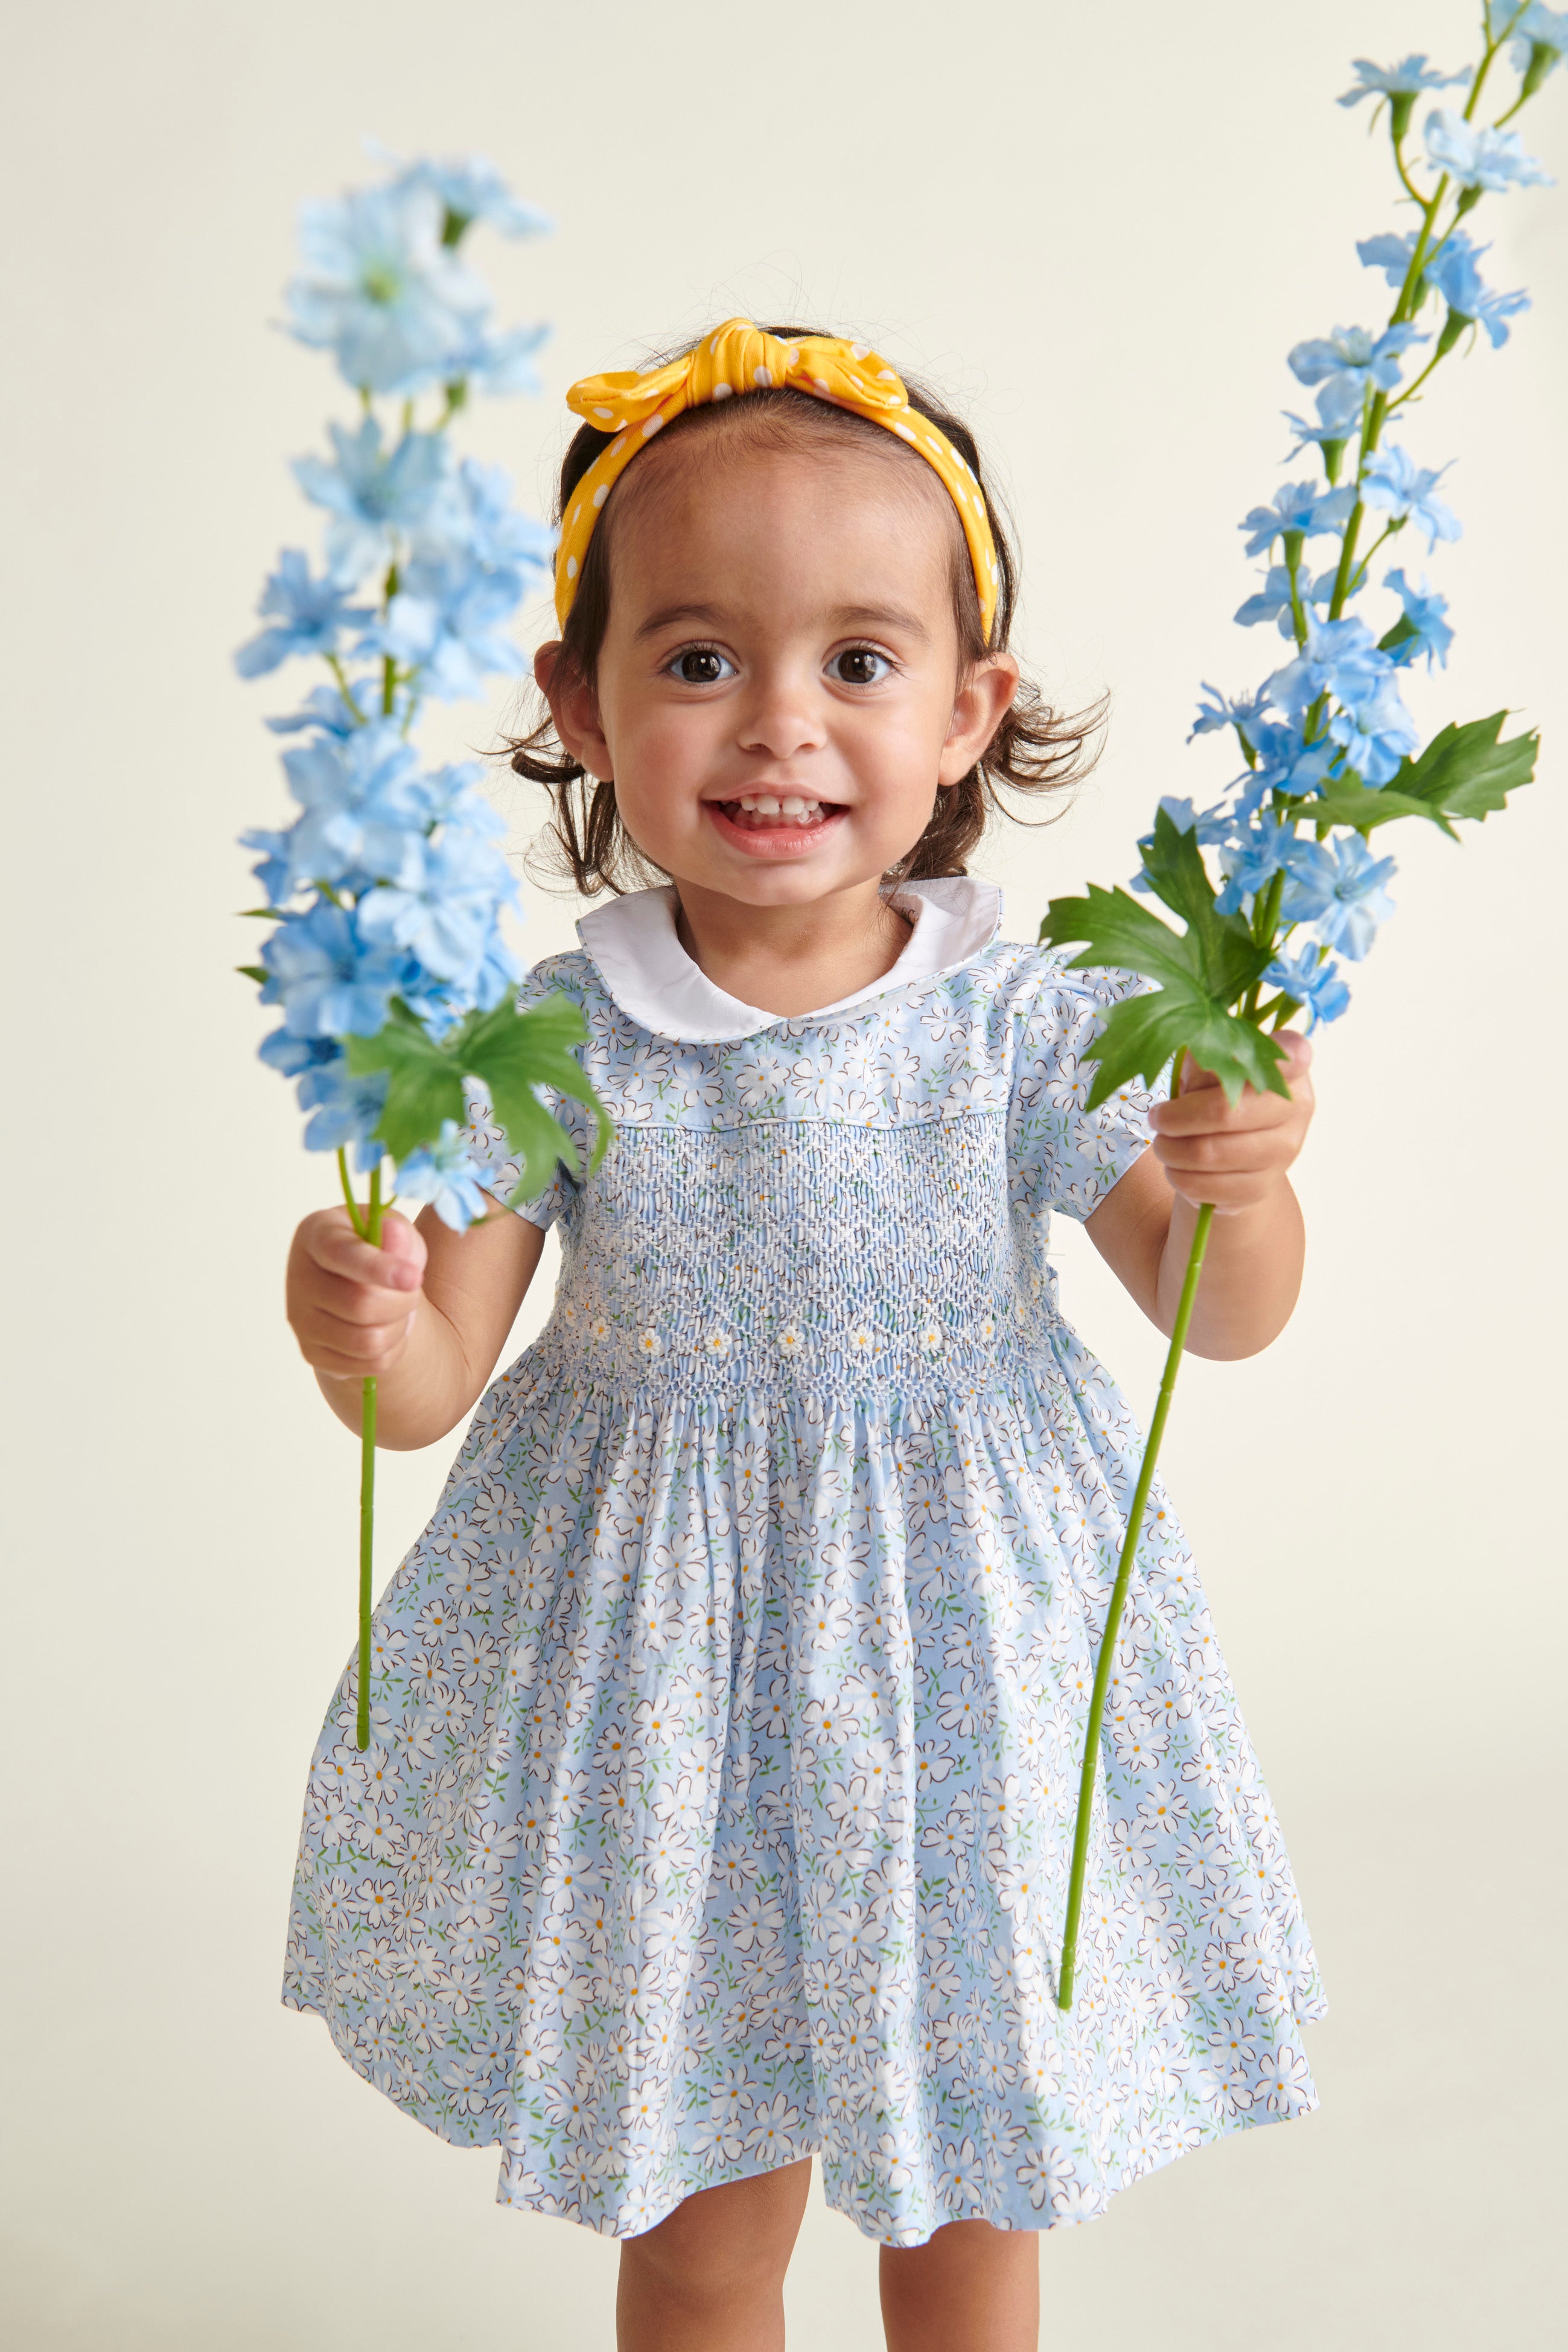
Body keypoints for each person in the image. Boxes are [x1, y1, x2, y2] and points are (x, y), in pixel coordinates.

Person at [281, 320, 1324, 2352]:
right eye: (699, 659)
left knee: (972, 2201)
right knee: (701, 2224)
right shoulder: (554, 1034)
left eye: (858, 660)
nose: (779, 725)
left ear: (967, 712)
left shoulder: (1025, 1018)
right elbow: (423, 1392)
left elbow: (1224, 1312)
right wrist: (355, 1309)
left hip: (962, 1669)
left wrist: (1246, 1181)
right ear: (580, 708)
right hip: (660, 1688)